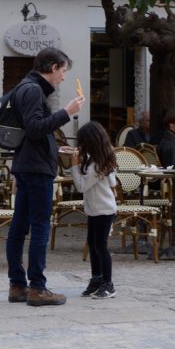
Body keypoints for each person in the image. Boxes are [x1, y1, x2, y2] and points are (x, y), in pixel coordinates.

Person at [5, 47, 84, 307]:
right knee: (38, 226)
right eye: (62, 71)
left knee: (20, 226)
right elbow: (35, 128)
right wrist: (66, 112)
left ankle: (18, 285)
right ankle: (37, 287)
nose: (63, 77)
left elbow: (33, 132)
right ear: (52, 68)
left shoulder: (26, 87)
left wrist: (55, 146)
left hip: (28, 163)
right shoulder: (32, 90)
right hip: (35, 168)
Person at [70, 122, 118, 300]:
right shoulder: (100, 159)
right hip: (95, 210)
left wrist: (74, 166)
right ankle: (96, 279)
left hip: (104, 210)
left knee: (100, 246)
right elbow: (112, 181)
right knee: (93, 243)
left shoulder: (98, 164)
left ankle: (108, 283)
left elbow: (82, 186)